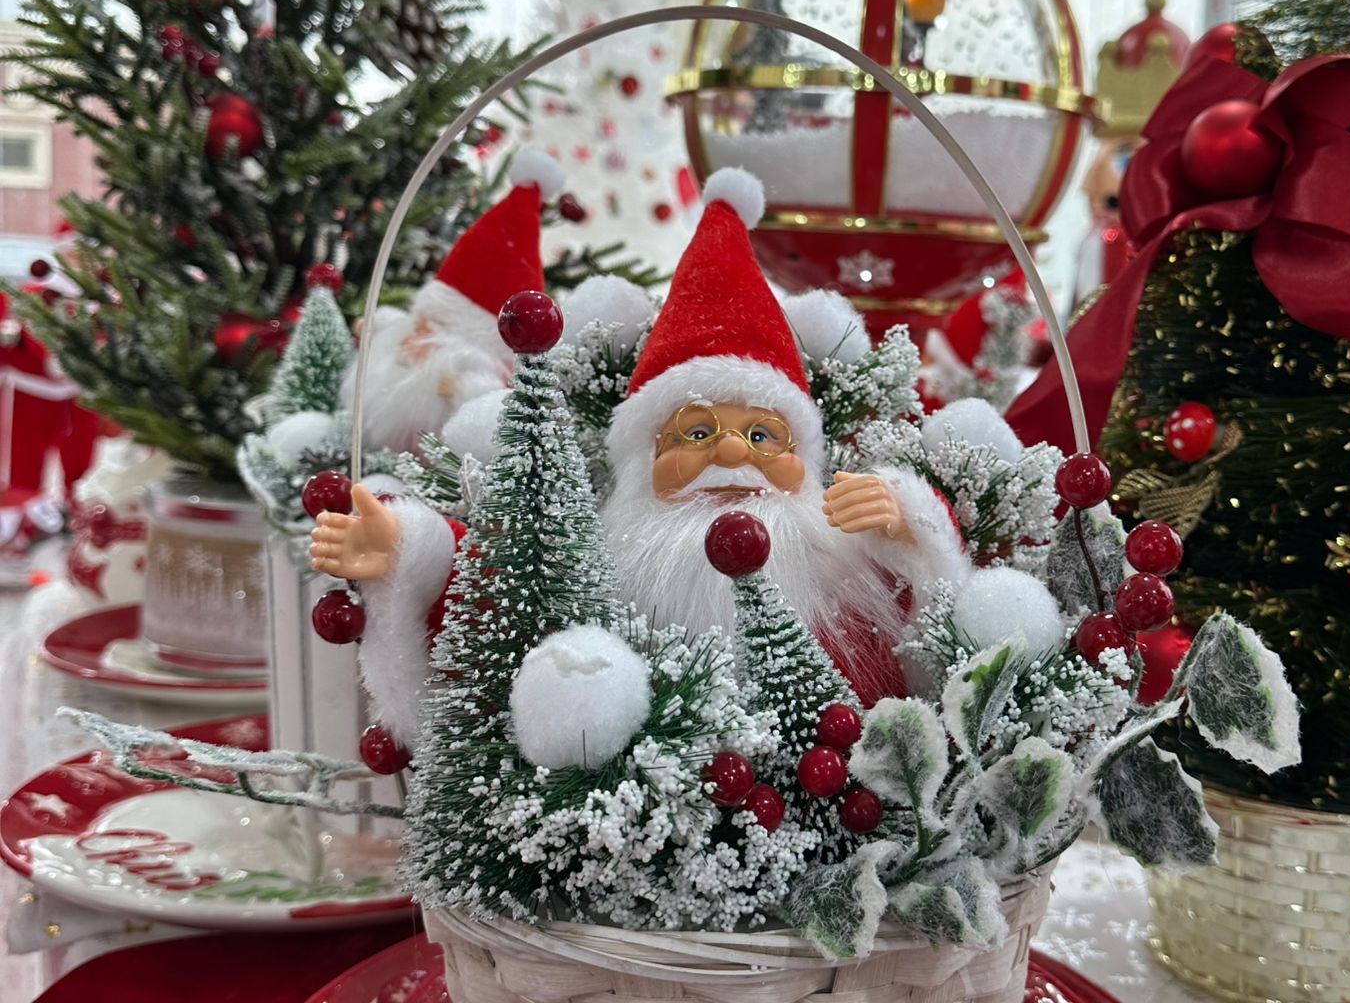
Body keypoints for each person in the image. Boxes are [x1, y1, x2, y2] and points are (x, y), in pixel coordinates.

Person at [311, 168, 969, 749]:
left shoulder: (844, 567)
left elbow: (943, 646)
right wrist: (411, 551)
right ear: (641, 462)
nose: (731, 451)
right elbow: (505, 594)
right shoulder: (602, 571)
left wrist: (909, 525)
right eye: (696, 432)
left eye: (763, 437)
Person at [340, 148, 563, 453]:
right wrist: (377, 325)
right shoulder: (417, 334)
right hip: (366, 435)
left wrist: (462, 389)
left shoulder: (472, 363)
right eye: (427, 319)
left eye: (437, 323)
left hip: (424, 454)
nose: (422, 330)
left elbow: (491, 401)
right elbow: (397, 328)